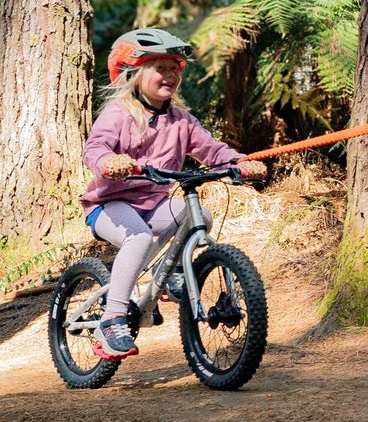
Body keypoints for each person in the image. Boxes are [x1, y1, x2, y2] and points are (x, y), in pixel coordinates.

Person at [81, 28, 267, 361]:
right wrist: (109, 163)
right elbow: (95, 148)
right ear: (134, 74)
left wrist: (240, 163)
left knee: (199, 217)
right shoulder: (119, 114)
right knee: (138, 237)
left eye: (174, 68)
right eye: (160, 68)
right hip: (109, 205)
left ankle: (168, 275)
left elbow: (212, 150)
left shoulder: (181, 121)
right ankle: (112, 319)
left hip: (154, 204)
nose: (169, 75)